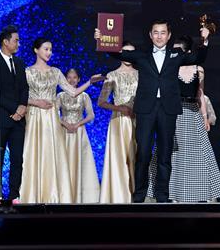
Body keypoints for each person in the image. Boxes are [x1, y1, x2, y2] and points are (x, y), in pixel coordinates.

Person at [98, 20, 210, 203]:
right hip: (146, 109)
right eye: (156, 32)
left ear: (169, 35)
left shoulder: (176, 54)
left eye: (163, 32)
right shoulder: (141, 54)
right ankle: (139, 196)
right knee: (143, 153)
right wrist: (102, 39)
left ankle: (162, 197)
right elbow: (117, 53)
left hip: (167, 109)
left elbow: (198, 58)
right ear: (150, 35)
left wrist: (204, 40)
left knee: (165, 155)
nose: (159, 36)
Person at [20, 38, 101, 203]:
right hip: (34, 116)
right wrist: (36, 102)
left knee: (52, 154)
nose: (49, 52)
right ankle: (33, 194)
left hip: (51, 118)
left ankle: (53, 195)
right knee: (34, 153)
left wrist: (89, 82)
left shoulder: (55, 72)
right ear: (36, 50)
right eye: (46, 49)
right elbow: (19, 96)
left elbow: (73, 92)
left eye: (50, 49)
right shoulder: (27, 72)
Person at [147, 35, 220, 202]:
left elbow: (200, 94)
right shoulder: (170, 67)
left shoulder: (199, 69)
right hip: (173, 114)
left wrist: (205, 117)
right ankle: (170, 193)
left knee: (197, 155)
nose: (174, 54)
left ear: (188, 52)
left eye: (179, 51)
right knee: (171, 154)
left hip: (192, 114)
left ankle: (198, 193)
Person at [0, 24, 29, 202]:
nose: (18, 44)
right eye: (16, 40)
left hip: (19, 120)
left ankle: (14, 195)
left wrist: (22, 106)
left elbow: (24, 88)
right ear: (5, 42)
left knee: (17, 159)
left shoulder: (20, 63)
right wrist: (14, 109)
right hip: (1, 118)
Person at [98, 43, 139, 203]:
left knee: (136, 157)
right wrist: (119, 108)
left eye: (131, 52)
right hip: (118, 121)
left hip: (137, 119)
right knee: (119, 158)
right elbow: (101, 102)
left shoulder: (141, 74)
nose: (128, 55)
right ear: (120, 53)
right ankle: (119, 196)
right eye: (125, 52)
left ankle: (137, 195)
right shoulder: (112, 75)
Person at [57, 67, 100, 203]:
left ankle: (80, 194)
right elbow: (53, 114)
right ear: (65, 79)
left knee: (80, 162)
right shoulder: (60, 96)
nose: (71, 80)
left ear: (79, 79)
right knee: (64, 161)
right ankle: (63, 194)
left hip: (79, 132)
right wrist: (65, 123)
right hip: (64, 132)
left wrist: (78, 124)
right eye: (69, 77)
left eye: (74, 77)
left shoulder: (84, 96)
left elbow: (91, 115)